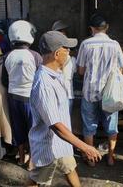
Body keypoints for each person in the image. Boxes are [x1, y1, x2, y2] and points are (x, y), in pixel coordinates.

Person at [25, 31, 101, 187]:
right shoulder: (44, 84)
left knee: (70, 168)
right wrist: (85, 147)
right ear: (57, 54)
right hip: (48, 147)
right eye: (67, 49)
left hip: (62, 143)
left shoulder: (56, 74)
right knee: (36, 181)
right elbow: (56, 126)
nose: (69, 53)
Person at [76, 14, 123, 166]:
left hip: (90, 93)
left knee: (89, 126)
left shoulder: (86, 44)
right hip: (109, 94)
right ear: (107, 28)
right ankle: (110, 157)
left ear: (91, 28)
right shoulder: (115, 45)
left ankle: (91, 159)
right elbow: (121, 68)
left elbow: (81, 71)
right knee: (111, 127)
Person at [5, 20, 42, 166]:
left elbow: (4, 79)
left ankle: (21, 158)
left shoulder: (7, 56)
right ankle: (32, 162)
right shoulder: (35, 56)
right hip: (30, 99)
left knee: (18, 128)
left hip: (13, 98)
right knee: (33, 130)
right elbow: (41, 79)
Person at [51, 20, 76, 114]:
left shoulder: (48, 57)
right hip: (67, 95)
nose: (64, 33)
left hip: (56, 95)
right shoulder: (72, 60)